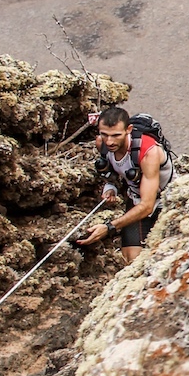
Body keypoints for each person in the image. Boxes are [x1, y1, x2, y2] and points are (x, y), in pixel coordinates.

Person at [74, 106, 173, 265]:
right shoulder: (102, 144)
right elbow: (113, 170)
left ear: (128, 130)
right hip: (136, 197)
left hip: (166, 201)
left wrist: (109, 227)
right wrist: (110, 186)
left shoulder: (148, 152)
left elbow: (147, 206)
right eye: (104, 134)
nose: (109, 141)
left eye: (116, 135)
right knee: (131, 261)